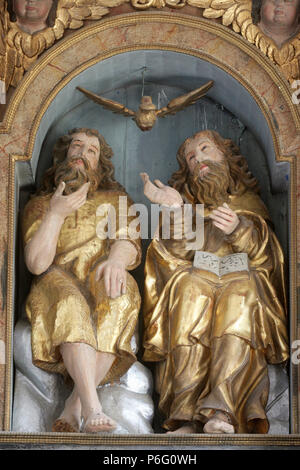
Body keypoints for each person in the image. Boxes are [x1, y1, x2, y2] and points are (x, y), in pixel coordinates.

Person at [140, 130, 289, 434]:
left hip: (241, 276)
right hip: (197, 276)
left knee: (241, 293)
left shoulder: (247, 201)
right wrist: (175, 210)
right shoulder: (185, 203)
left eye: (205, 149)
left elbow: (268, 256)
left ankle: (223, 411)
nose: (198, 160)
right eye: (191, 158)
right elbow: (171, 255)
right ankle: (184, 415)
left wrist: (240, 229)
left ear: (225, 155)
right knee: (186, 290)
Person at [22, 128, 141, 433]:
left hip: (98, 275)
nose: (82, 153)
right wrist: (55, 214)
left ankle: (74, 405)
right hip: (54, 280)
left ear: (100, 164)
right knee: (72, 302)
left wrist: (116, 259)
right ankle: (91, 406)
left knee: (123, 292)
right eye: (77, 146)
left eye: (91, 151)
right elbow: (36, 264)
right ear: (64, 154)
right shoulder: (41, 203)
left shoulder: (115, 199)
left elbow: (128, 239)